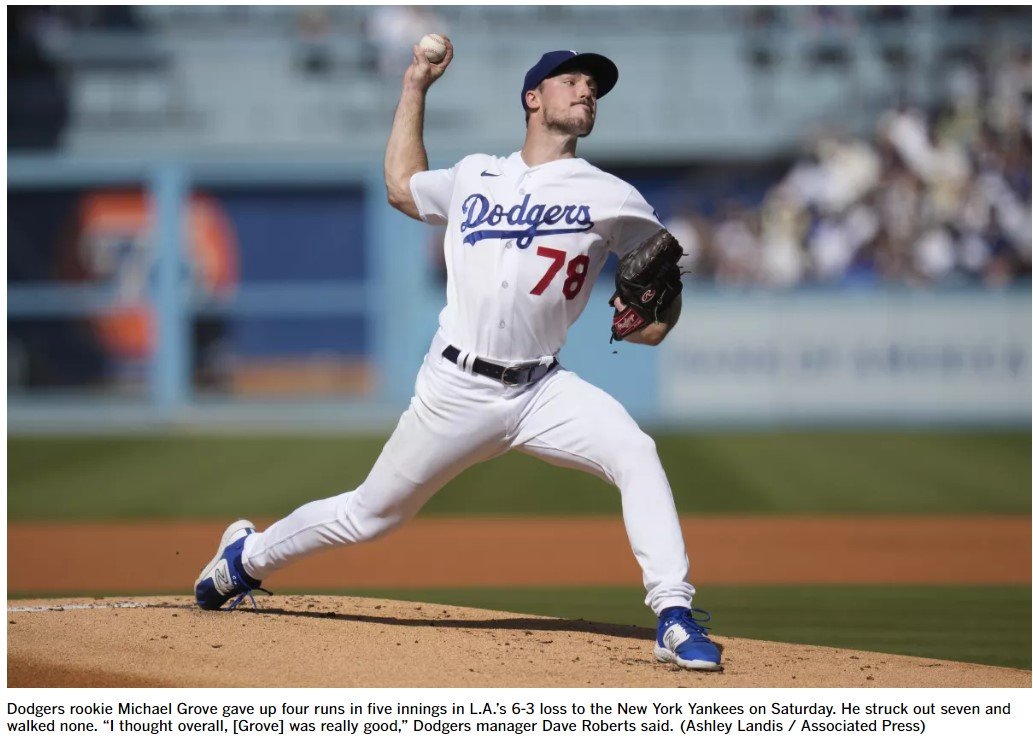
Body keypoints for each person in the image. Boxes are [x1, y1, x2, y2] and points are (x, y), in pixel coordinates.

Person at [194, 40, 722, 671]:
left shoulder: (612, 196)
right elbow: (400, 187)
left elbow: (653, 322)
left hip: (541, 391)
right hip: (456, 387)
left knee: (635, 451)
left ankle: (673, 614)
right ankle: (244, 559)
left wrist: (664, 304)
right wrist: (415, 84)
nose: (587, 91)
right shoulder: (475, 173)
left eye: (595, 87)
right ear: (533, 97)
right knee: (370, 515)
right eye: (572, 80)